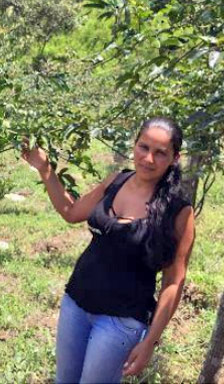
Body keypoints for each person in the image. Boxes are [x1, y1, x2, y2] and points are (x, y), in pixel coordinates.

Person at [21, 117, 195, 383]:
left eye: (160, 153)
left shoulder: (178, 210)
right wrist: (45, 169)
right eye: (143, 147)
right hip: (76, 303)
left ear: (174, 158)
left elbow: (173, 282)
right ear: (134, 145)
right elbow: (71, 211)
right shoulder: (117, 181)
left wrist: (150, 341)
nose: (148, 159)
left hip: (121, 321)